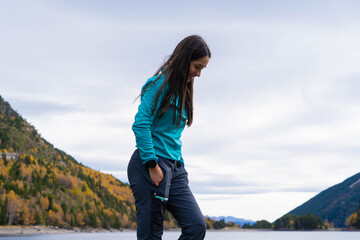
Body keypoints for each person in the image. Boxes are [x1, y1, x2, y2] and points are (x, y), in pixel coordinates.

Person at [127, 35, 211, 240]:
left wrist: (179, 166)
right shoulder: (158, 84)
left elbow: (172, 135)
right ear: (185, 59)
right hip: (151, 164)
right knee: (151, 235)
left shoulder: (183, 89)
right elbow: (141, 124)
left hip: (175, 169)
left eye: (203, 69)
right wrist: (152, 164)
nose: (199, 74)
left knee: (196, 226)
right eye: (197, 67)